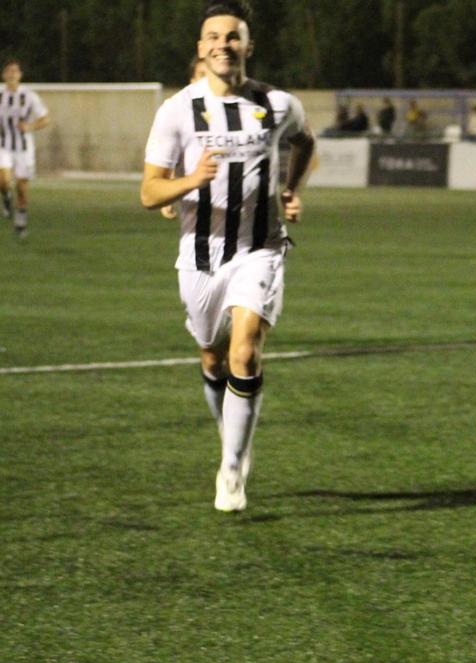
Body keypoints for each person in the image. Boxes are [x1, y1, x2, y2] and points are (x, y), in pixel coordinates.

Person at [139, 0, 316, 512]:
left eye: (232, 36)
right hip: (200, 256)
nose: (223, 44)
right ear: (201, 48)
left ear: (247, 45)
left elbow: (305, 143)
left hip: (259, 249)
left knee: (245, 350)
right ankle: (231, 435)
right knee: (213, 358)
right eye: (213, 37)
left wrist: (291, 187)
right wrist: (190, 181)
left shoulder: (279, 104)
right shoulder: (177, 109)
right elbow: (149, 193)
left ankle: (232, 469)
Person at [0, 58, 51, 239]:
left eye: (15, 71)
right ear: (4, 75)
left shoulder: (29, 96)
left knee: (22, 188)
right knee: (4, 180)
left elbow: (45, 118)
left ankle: (20, 225)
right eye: (9, 71)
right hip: (3, 146)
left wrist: (29, 127)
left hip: (23, 149)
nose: (12, 74)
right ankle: (6, 198)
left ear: (20, 75)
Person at [162, 57, 209, 221]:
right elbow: (175, 155)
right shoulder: (183, 113)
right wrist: (168, 194)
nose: (208, 80)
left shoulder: (240, 109)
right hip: (198, 207)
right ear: (193, 80)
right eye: (202, 75)